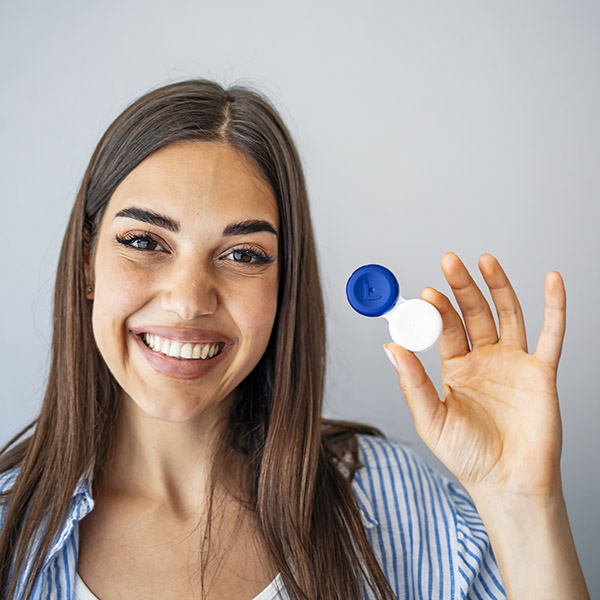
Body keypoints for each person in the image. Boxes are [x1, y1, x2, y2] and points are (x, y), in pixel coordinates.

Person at [0, 79, 589, 600]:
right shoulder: (9, 534)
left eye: (242, 254)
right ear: (86, 266)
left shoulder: (395, 503)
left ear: (285, 287)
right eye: (146, 242)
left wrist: (522, 502)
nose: (188, 300)